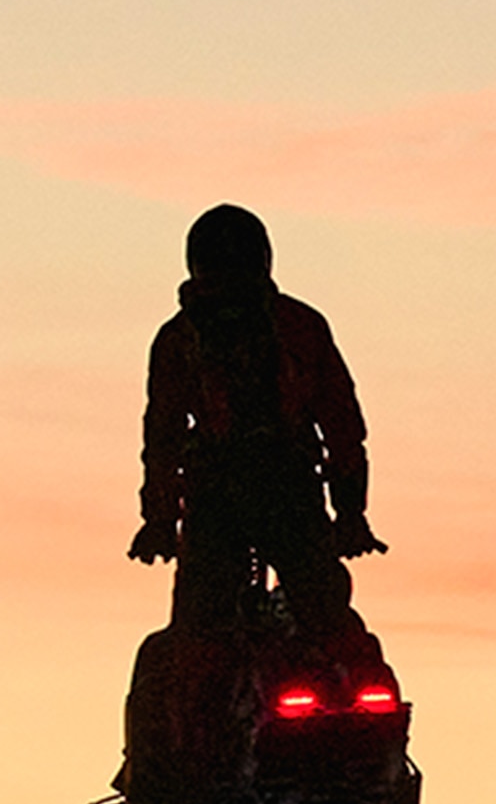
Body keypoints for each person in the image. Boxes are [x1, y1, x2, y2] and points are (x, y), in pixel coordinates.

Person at [128, 203, 380, 637]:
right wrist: (351, 515)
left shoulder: (179, 337)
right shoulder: (300, 324)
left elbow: (163, 440)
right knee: (330, 626)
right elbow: (342, 427)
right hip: (285, 495)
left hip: (224, 500)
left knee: (198, 639)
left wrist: (159, 520)